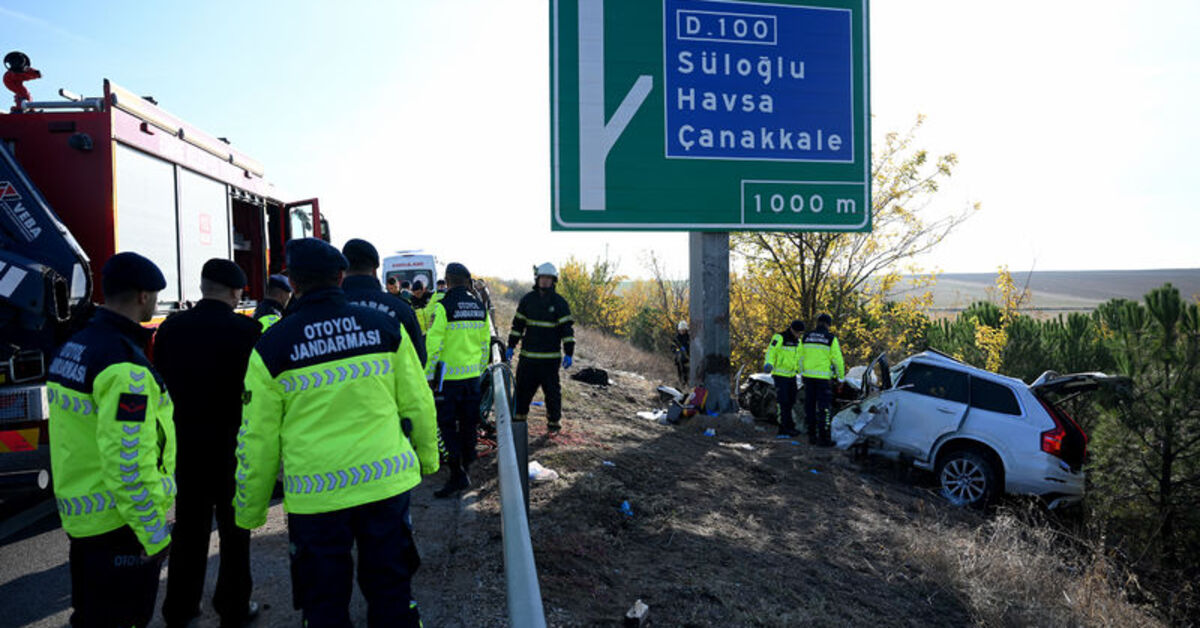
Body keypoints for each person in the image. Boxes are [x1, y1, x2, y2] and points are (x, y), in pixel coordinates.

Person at [234, 239, 438, 627]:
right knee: (393, 595)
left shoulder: (271, 346)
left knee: (324, 606)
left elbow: (257, 439)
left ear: (292, 283)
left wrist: (250, 509)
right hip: (385, 487)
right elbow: (418, 402)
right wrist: (428, 457)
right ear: (340, 277)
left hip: (317, 499)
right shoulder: (386, 328)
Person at [47, 252, 176, 628]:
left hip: (84, 520)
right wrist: (154, 534)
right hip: (120, 526)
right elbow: (129, 464)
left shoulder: (78, 345)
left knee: (91, 617)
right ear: (143, 297)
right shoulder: (124, 367)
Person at [154, 259, 261, 628]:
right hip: (234, 446)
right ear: (235, 292)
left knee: (188, 530)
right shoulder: (248, 331)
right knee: (235, 530)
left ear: (203, 287)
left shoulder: (171, 329)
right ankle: (233, 605)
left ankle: (181, 609)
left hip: (186, 446)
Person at [424, 263, 491, 497]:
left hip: (447, 380)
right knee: (469, 423)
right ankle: (467, 462)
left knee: (445, 426)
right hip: (472, 377)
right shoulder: (479, 307)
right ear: (467, 281)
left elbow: (434, 346)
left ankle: (456, 474)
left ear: (448, 281)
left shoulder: (443, 308)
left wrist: (429, 376)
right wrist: (479, 370)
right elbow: (485, 346)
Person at [506, 263, 575, 434]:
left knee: (552, 394)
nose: (545, 281)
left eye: (548, 279)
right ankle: (518, 422)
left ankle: (553, 424)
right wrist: (511, 345)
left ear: (553, 281)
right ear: (537, 279)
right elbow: (517, 326)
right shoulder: (527, 300)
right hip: (528, 358)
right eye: (542, 278)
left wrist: (569, 352)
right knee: (522, 392)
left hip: (549, 361)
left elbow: (567, 329)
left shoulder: (560, 303)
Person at [341, 238, 427, 366]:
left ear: (343, 269)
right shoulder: (401, 309)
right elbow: (419, 360)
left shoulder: (325, 311)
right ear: (375, 270)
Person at [802, 313, 845, 446]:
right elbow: (838, 361)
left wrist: (801, 372)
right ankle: (823, 439)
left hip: (808, 378)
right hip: (823, 380)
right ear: (828, 324)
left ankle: (811, 436)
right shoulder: (831, 339)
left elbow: (799, 357)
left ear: (817, 322)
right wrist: (841, 379)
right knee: (824, 409)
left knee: (809, 407)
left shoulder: (806, 337)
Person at [764, 320, 806, 438]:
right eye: (798, 332)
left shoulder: (798, 342)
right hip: (780, 375)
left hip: (792, 376)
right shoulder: (780, 337)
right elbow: (771, 351)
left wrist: (802, 373)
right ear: (792, 329)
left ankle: (790, 427)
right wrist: (769, 363)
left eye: (800, 333)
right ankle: (783, 429)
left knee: (791, 401)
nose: (799, 335)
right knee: (783, 402)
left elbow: (800, 358)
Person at [673, 320, 690, 385]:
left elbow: (691, 346)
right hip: (678, 358)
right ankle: (681, 382)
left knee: (686, 371)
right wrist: (677, 350)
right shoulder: (676, 338)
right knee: (680, 371)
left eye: (683, 330)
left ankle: (686, 382)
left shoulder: (689, 337)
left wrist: (686, 349)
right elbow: (672, 346)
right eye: (681, 330)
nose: (682, 331)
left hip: (687, 358)